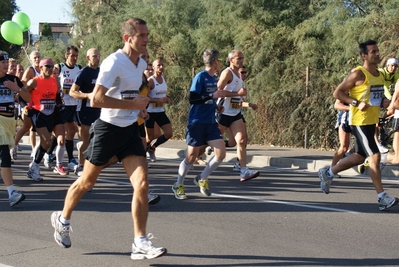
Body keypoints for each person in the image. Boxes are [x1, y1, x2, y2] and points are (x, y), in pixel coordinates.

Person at [50, 18, 166, 260]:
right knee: (87, 182)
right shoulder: (114, 62)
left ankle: (140, 241)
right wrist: (131, 104)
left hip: (129, 131)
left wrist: (138, 109)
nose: (146, 39)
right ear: (127, 38)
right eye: (141, 35)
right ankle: (62, 219)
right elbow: (96, 99)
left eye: (147, 34)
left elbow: (132, 94)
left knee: (142, 185)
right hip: (107, 129)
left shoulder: (141, 63)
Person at [318, 40, 399, 211]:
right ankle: (382, 198)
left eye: (377, 51)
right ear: (364, 55)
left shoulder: (379, 74)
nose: (377, 54)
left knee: (359, 157)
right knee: (375, 156)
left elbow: (375, 97)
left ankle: (328, 173)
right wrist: (355, 102)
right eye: (373, 52)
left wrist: (384, 102)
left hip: (372, 122)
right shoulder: (358, 74)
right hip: (359, 122)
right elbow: (337, 93)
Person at [171, 48, 226, 200]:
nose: (220, 63)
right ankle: (178, 184)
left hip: (210, 122)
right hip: (196, 122)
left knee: (221, 153)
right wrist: (211, 95)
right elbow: (193, 99)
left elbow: (208, 99)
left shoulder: (214, 78)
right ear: (215, 62)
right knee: (191, 156)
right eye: (219, 60)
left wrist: (216, 106)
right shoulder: (200, 77)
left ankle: (202, 178)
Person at [216, 50, 259, 181]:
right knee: (211, 141)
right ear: (231, 60)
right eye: (238, 58)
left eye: (242, 58)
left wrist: (242, 98)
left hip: (235, 114)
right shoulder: (227, 72)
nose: (241, 60)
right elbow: (218, 91)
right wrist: (237, 93)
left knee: (241, 140)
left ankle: (244, 170)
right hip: (223, 112)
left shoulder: (239, 75)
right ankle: (193, 154)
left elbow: (238, 95)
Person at [26, 58, 68, 180]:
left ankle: (58, 164)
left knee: (61, 137)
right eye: (47, 67)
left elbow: (56, 96)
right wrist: (26, 107)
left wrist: (60, 103)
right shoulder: (34, 82)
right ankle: (34, 165)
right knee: (47, 142)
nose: (50, 69)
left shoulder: (55, 81)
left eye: (51, 67)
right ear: (41, 68)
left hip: (54, 112)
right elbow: (23, 94)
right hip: (39, 113)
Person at [0, 51, 30, 206]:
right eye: (3, 63)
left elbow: (28, 97)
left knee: (3, 154)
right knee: (4, 153)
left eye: (7, 63)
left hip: (9, 122)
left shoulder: (13, 79)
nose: (6, 65)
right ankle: (12, 193)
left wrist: (16, 88)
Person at [45, 46, 81, 172]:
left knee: (71, 132)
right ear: (66, 56)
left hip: (75, 104)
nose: (75, 58)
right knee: (64, 131)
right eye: (72, 56)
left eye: (76, 56)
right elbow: (51, 80)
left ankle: (51, 154)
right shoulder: (59, 67)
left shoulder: (79, 69)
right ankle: (66, 158)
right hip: (62, 104)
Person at [69, 48, 101, 176]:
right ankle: (80, 166)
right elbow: (72, 92)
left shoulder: (100, 72)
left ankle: (90, 164)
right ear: (88, 58)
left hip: (98, 110)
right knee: (86, 139)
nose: (97, 58)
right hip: (84, 110)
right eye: (94, 56)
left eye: (98, 56)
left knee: (96, 140)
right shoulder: (83, 73)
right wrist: (88, 95)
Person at [11, 51, 41, 160]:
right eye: (35, 58)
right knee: (27, 126)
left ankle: (35, 150)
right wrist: (23, 104)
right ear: (31, 59)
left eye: (38, 57)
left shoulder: (43, 69)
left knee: (38, 127)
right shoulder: (30, 70)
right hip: (27, 102)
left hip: (39, 103)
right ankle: (14, 146)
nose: (37, 59)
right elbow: (22, 85)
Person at [145, 59, 173, 162]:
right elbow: (145, 97)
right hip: (150, 113)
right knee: (149, 137)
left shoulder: (163, 78)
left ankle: (152, 148)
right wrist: (159, 100)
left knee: (169, 133)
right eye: (158, 65)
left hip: (160, 111)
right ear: (153, 67)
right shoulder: (151, 81)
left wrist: (166, 99)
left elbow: (162, 94)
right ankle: (141, 157)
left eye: (162, 65)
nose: (161, 67)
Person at [329, 99, 352, 176]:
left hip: (358, 119)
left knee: (364, 140)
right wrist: (352, 108)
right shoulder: (345, 89)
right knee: (344, 147)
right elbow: (337, 105)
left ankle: (349, 154)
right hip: (344, 120)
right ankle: (332, 169)